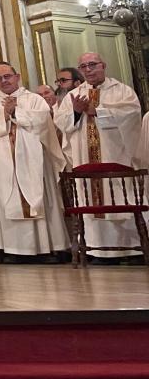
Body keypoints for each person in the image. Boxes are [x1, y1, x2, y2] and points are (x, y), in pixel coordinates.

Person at [0, 62, 68, 262]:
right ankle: (13, 249)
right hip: (2, 158)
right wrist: (4, 115)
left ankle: (45, 248)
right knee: (7, 197)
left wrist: (16, 113)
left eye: (7, 76)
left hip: (33, 158)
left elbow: (42, 121)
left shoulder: (33, 99)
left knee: (38, 198)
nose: (4, 81)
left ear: (17, 77)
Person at [54, 52, 144, 261]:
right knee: (90, 198)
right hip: (85, 160)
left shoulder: (121, 91)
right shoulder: (73, 95)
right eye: (83, 66)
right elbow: (61, 122)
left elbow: (131, 114)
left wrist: (98, 111)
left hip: (115, 158)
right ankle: (95, 249)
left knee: (119, 197)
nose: (88, 69)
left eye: (92, 65)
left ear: (103, 65)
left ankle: (129, 249)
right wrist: (76, 112)